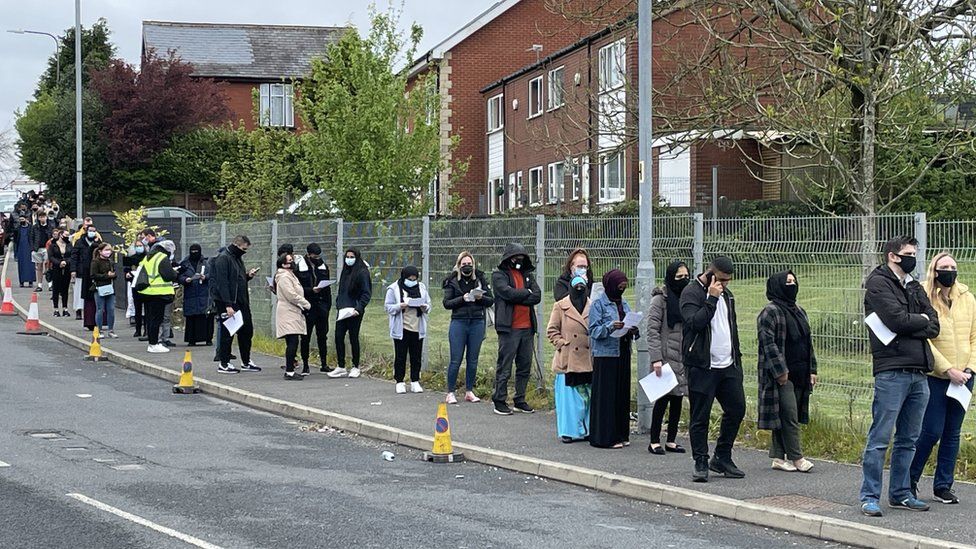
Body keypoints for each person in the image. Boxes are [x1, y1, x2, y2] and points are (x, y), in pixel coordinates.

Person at [860, 236, 940, 517]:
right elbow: (895, 320)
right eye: (908, 253)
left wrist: (915, 321)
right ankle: (869, 496)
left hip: (919, 371)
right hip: (891, 370)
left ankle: (901, 493)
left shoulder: (914, 285)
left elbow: (935, 325)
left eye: (914, 253)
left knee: (909, 438)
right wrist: (919, 321)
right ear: (892, 256)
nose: (912, 258)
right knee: (880, 437)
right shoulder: (878, 283)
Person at [909, 253, 975, 505]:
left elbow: (974, 336)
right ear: (934, 271)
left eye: (953, 267)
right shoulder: (924, 297)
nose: (949, 271)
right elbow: (923, 340)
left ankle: (943, 485)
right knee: (931, 430)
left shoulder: (967, 298)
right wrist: (948, 370)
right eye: (943, 267)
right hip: (936, 376)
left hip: (965, 376)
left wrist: (969, 368)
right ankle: (909, 479)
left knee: (952, 432)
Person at [681, 256, 746, 483]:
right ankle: (700, 460)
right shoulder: (691, 293)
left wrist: (736, 359)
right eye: (720, 279)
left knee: (737, 409)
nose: (724, 285)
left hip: (727, 365)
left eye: (728, 281)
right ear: (710, 274)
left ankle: (722, 457)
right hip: (702, 365)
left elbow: (731, 327)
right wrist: (711, 299)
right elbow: (694, 323)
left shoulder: (728, 296)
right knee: (701, 415)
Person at [757, 271, 817, 473]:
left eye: (794, 281)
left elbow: (808, 342)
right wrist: (780, 371)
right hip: (781, 374)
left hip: (800, 371)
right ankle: (797, 457)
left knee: (785, 414)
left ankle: (778, 456)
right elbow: (768, 344)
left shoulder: (800, 311)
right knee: (789, 414)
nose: (792, 285)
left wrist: (812, 369)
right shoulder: (770, 312)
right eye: (787, 282)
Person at [646, 260, 691, 455]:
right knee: (662, 399)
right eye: (679, 277)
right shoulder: (660, 300)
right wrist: (656, 358)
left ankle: (671, 440)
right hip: (665, 356)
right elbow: (652, 330)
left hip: (682, 355)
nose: (683, 280)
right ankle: (654, 440)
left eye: (686, 276)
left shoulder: (688, 298)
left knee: (678, 398)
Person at [588, 269, 637, 448]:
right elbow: (593, 331)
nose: (621, 290)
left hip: (623, 352)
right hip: (606, 354)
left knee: (621, 395)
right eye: (619, 287)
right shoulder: (598, 305)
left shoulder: (624, 303)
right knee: (606, 397)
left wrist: (632, 329)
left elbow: (631, 321)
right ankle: (605, 437)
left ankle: (621, 433)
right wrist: (610, 327)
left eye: (624, 287)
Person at [491, 243, 541, 415]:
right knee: (505, 366)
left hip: (527, 328)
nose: (517, 260)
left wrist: (520, 294)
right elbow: (506, 293)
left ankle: (520, 399)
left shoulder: (527, 275)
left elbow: (537, 295)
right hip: (509, 328)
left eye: (520, 257)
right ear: (507, 258)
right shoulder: (499, 275)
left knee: (524, 366)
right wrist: (525, 293)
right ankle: (499, 400)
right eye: (514, 257)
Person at [442, 251, 494, 404]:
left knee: (473, 359)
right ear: (459, 266)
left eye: (469, 264)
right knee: (456, 359)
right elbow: (447, 303)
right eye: (464, 264)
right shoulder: (452, 281)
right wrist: (462, 299)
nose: (467, 267)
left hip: (477, 322)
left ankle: (469, 391)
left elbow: (490, 300)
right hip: (459, 321)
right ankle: (450, 392)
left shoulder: (480, 278)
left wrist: (480, 297)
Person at [547, 273, 592, 442]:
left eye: (582, 286)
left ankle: (587, 429)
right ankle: (569, 431)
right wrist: (561, 344)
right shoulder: (560, 306)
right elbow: (551, 329)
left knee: (587, 397)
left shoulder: (591, 305)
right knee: (569, 400)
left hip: (587, 358)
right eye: (576, 286)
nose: (579, 289)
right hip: (568, 359)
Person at [211, 236, 261, 373]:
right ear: (236, 245)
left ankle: (246, 361)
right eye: (243, 249)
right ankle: (224, 363)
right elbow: (222, 283)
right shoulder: (223, 258)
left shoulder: (236, 258)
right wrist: (228, 305)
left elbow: (236, 279)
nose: (244, 251)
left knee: (247, 331)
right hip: (229, 302)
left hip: (241, 300)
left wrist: (248, 276)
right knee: (228, 333)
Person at [385, 266, 431, 393]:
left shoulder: (421, 288)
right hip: (401, 328)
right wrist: (400, 306)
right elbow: (388, 307)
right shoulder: (393, 289)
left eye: (414, 279)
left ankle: (415, 380)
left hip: (417, 327)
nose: (412, 281)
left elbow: (429, 305)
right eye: (409, 279)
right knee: (400, 356)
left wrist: (424, 307)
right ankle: (399, 381)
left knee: (416, 356)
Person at [329, 248, 371, 379]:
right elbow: (342, 289)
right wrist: (338, 303)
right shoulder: (345, 271)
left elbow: (366, 293)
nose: (349, 259)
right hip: (343, 309)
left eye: (352, 257)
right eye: (347, 256)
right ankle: (341, 366)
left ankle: (355, 366)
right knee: (338, 336)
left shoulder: (362, 272)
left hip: (354, 311)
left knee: (353, 337)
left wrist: (358, 308)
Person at [295, 243, 332, 375]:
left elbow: (328, 289)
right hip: (307, 306)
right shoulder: (300, 266)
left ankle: (324, 363)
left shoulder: (323, 265)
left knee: (323, 336)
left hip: (322, 306)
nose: (316, 258)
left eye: (318, 256)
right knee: (305, 337)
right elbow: (297, 288)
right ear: (308, 254)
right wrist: (311, 290)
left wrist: (327, 306)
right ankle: (305, 365)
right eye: (314, 256)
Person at [274, 253, 311, 380]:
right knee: (292, 340)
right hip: (288, 311)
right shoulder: (284, 277)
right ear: (283, 264)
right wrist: (306, 304)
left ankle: (290, 370)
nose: (292, 263)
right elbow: (291, 295)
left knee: (293, 341)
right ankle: (289, 371)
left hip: (293, 311)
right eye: (290, 261)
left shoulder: (290, 275)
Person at [138, 240, 178, 353]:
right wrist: (175, 273)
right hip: (159, 293)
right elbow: (168, 275)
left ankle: (151, 343)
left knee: (151, 319)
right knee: (157, 319)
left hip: (147, 292)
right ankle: (154, 344)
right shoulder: (161, 257)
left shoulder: (149, 257)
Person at [179, 244, 213, 346]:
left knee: (206, 316)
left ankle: (208, 339)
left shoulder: (206, 263)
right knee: (191, 317)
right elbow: (179, 276)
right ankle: (191, 339)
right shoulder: (185, 264)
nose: (194, 253)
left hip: (204, 294)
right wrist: (186, 280)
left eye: (196, 251)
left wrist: (205, 277)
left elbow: (212, 274)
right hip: (190, 293)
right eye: (192, 251)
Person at [71, 225, 102, 330]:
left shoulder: (98, 243)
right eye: (90, 231)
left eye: (94, 231)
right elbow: (74, 256)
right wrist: (73, 270)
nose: (92, 233)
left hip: (94, 272)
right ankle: (79, 311)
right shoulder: (79, 242)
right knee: (81, 294)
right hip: (82, 271)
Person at [90, 242, 118, 338]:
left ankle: (111, 330)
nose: (108, 252)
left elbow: (115, 274)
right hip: (99, 287)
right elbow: (93, 275)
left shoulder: (110, 262)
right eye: (106, 250)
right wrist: (107, 275)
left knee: (111, 309)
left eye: (109, 250)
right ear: (100, 251)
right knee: (100, 309)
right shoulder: (95, 262)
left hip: (109, 287)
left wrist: (113, 275)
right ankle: (99, 330)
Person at [124, 240, 147, 338]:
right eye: (137, 246)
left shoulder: (147, 257)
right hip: (134, 284)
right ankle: (138, 330)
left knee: (146, 309)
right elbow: (126, 271)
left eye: (140, 245)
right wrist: (129, 274)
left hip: (145, 285)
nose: (139, 247)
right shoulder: (131, 258)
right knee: (137, 308)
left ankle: (146, 330)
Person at [47, 228, 72, 317]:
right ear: (61, 235)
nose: (67, 237)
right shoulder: (53, 245)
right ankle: (56, 309)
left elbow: (72, 256)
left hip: (67, 269)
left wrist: (66, 262)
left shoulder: (69, 245)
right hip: (56, 269)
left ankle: (65, 308)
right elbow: (51, 257)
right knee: (56, 289)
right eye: (65, 236)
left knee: (65, 289)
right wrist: (59, 263)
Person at [29, 210, 55, 291]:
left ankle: (50, 285)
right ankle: (39, 285)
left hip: (47, 248)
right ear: (38, 218)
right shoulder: (34, 227)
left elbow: (53, 237)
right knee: (39, 267)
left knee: (47, 266)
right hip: (37, 249)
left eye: (43, 217)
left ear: (46, 217)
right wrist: (33, 248)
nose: (42, 218)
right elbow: (31, 237)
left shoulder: (50, 226)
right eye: (40, 217)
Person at [13, 215, 35, 288]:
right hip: (21, 248)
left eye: (22, 219)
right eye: (20, 219)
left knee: (30, 265)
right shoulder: (17, 229)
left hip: (29, 248)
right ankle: (21, 282)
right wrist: (15, 253)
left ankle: (30, 282)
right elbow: (15, 241)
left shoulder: (31, 228)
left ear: (26, 219)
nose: (21, 221)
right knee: (21, 265)